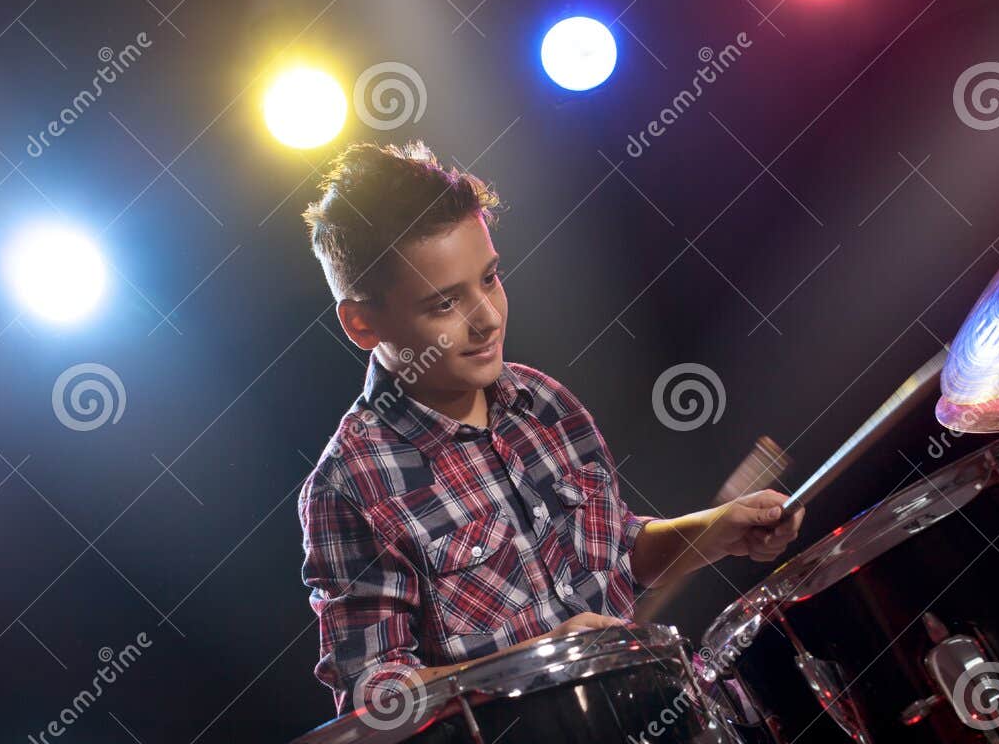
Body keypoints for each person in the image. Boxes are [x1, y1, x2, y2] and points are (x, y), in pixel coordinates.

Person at [299, 141, 802, 713]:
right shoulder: (349, 485)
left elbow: (615, 556)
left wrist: (713, 531)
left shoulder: (542, 401)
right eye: (444, 304)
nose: (487, 319)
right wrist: (539, 662)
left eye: (490, 278)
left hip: (653, 730)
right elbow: (375, 699)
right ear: (362, 324)